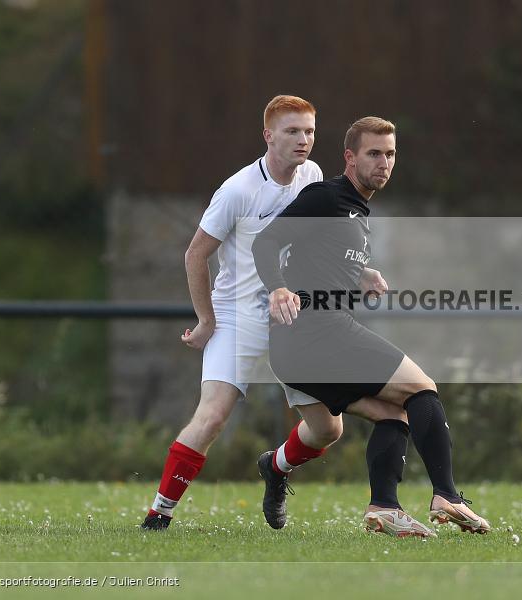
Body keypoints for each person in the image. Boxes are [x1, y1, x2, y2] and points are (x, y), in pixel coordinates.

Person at [251, 116, 492, 537]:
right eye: (374, 153)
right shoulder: (325, 196)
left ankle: (381, 505)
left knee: (378, 416)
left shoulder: (356, 210)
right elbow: (266, 241)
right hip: (317, 330)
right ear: (350, 157)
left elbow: (322, 255)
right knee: (421, 388)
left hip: (296, 347)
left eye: (391, 154)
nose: (384, 163)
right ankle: (447, 495)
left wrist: (361, 273)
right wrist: (277, 289)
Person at [141, 95, 326, 530]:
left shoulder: (313, 176)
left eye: (310, 131)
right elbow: (195, 255)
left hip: (289, 318)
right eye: (292, 131)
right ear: (268, 136)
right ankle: (158, 515)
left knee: (326, 431)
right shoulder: (238, 189)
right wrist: (206, 320)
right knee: (212, 416)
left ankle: (276, 467)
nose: (303, 140)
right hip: (238, 316)